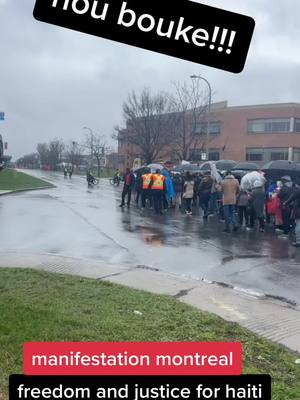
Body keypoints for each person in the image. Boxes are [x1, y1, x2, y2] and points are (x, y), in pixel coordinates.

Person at [284, 178, 300, 247]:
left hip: (299, 211)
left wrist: (285, 203)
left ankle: (298, 241)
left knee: (298, 226)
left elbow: (291, 198)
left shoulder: (298, 190)